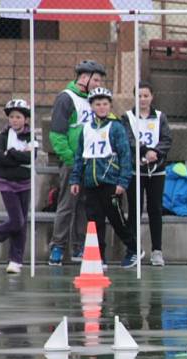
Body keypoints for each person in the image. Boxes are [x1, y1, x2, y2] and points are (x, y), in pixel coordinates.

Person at [69, 87, 139, 268]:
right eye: (97, 104)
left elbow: (124, 155)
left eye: (105, 104)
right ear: (91, 106)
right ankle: (99, 256)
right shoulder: (86, 129)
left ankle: (133, 248)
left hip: (110, 182)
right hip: (91, 183)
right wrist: (75, 179)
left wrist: (123, 181)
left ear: (110, 106)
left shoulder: (116, 127)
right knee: (94, 221)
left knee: (116, 218)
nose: (101, 107)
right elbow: (79, 156)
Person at [47, 59, 106, 266]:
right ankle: (57, 247)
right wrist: (71, 160)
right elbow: (57, 134)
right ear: (84, 78)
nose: (99, 84)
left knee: (84, 206)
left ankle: (79, 246)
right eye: (96, 80)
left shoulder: (94, 100)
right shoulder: (66, 98)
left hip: (91, 162)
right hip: (74, 162)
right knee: (66, 204)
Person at [122, 81, 173, 267]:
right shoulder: (127, 117)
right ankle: (133, 249)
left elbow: (167, 139)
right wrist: (144, 151)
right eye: (139, 96)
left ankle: (157, 250)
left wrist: (156, 153)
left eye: (146, 96)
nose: (142, 99)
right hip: (136, 170)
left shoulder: (160, 117)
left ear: (152, 97)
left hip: (156, 170)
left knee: (155, 210)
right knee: (134, 209)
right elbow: (127, 139)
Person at [0, 99, 36, 274]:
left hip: (25, 183)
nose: (15, 120)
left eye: (19, 117)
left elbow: (31, 157)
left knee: (21, 224)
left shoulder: (31, 137)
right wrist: (18, 156)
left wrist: (13, 154)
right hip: (6, 182)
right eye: (12, 117)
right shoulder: (3, 137)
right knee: (17, 220)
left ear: (25, 119)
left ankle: (16, 260)